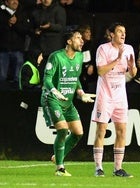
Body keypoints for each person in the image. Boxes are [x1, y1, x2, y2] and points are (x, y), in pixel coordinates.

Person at [41, 30, 96, 176]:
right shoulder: (56, 57)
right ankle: (60, 167)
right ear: (69, 41)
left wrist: (81, 93)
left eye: (81, 38)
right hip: (52, 98)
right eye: (78, 38)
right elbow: (46, 79)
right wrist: (55, 91)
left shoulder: (79, 57)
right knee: (63, 129)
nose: (82, 40)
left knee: (78, 133)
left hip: (68, 101)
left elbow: (75, 79)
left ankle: (57, 156)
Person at [91, 22, 137, 178]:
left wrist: (132, 67)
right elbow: (100, 71)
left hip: (120, 96)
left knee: (122, 131)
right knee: (101, 130)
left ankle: (118, 168)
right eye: (119, 31)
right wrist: (117, 59)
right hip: (105, 94)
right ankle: (98, 167)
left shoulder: (129, 49)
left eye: (124, 32)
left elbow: (133, 73)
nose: (123, 34)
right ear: (111, 34)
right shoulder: (103, 49)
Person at [0, 0, 31, 84]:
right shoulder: (1, 13)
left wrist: (16, 23)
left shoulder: (23, 13)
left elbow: (27, 30)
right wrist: (8, 24)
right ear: (6, 2)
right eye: (12, 0)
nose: (15, 2)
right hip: (3, 51)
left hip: (18, 50)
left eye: (16, 0)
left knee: (17, 79)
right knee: (2, 78)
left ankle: (18, 97)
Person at [77, 24, 97, 92]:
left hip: (90, 70)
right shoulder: (77, 45)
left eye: (89, 32)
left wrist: (92, 65)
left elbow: (95, 56)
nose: (89, 34)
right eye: (87, 32)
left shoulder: (92, 44)